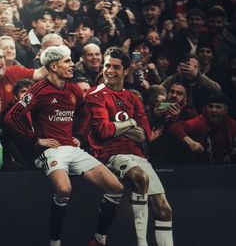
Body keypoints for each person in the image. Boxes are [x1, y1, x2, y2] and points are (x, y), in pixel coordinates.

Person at [4, 45, 124, 246]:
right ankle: (55, 241)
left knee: (116, 188)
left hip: (73, 148)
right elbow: (12, 117)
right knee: (64, 189)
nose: (72, 65)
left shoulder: (73, 89)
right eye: (67, 61)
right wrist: (35, 140)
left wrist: (78, 135)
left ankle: (99, 239)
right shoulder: (39, 90)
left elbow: (86, 113)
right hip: (51, 151)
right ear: (53, 66)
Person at [86, 46, 173, 246]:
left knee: (164, 209)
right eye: (107, 65)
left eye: (116, 67)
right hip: (109, 154)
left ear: (126, 71)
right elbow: (104, 131)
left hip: (138, 155)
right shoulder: (95, 94)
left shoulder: (133, 97)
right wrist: (131, 123)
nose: (110, 71)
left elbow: (145, 134)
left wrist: (121, 127)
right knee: (139, 177)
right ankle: (141, 243)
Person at [169, 92, 236, 164]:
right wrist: (191, 143)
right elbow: (175, 127)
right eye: (210, 106)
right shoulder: (200, 121)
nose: (213, 110)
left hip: (226, 167)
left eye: (218, 107)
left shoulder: (231, 124)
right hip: (201, 167)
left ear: (226, 110)